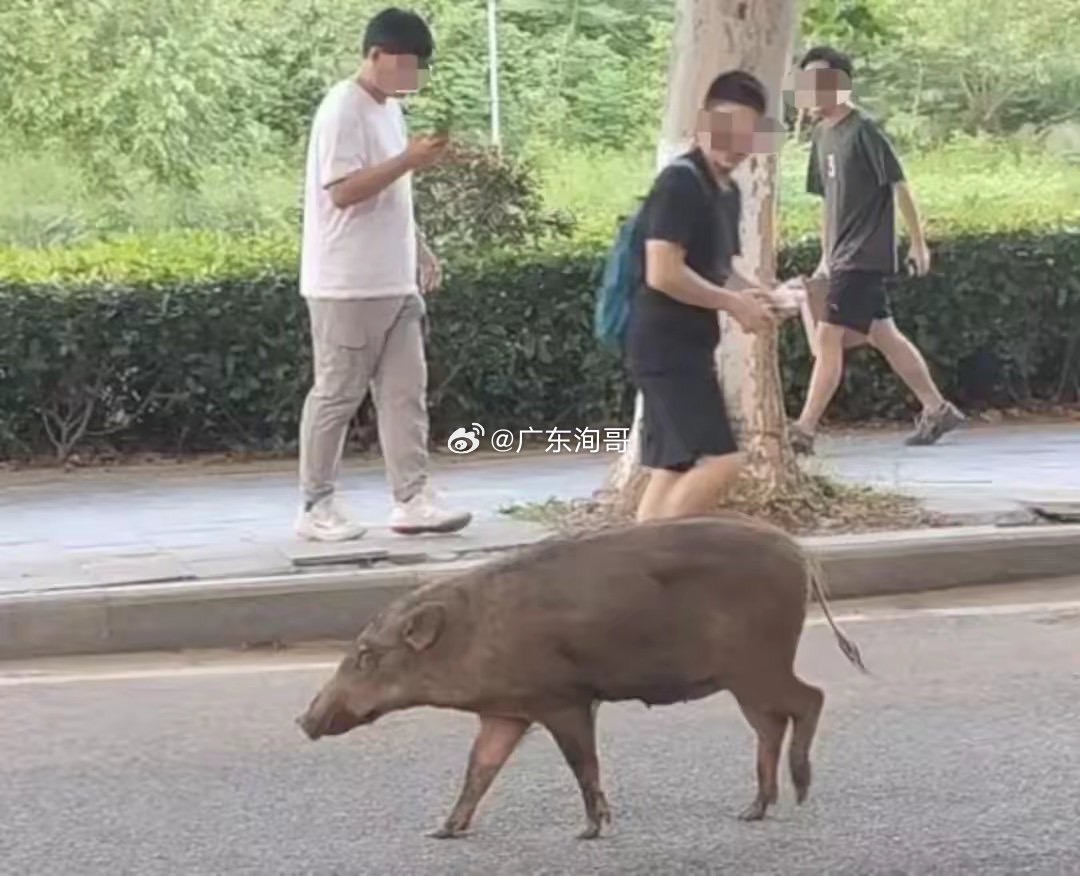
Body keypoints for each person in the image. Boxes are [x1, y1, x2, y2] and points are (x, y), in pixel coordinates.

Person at [296, 7, 471, 542]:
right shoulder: (342, 109)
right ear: (375, 55)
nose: (412, 78)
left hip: (396, 283)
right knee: (337, 393)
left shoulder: (390, 111)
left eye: (418, 67)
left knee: (405, 393)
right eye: (406, 64)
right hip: (347, 284)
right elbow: (343, 191)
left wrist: (419, 250)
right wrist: (409, 161)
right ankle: (315, 504)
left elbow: (393, 194)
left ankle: (412, 497)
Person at [789, 46, 964, 454]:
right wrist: (823, 256)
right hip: (841, 256)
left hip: (862, 256)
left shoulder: (863, 129)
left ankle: (804, 430)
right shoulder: (821, 135)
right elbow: (827, 203)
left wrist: (918, 242)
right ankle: (937, 408)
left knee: (828, 338)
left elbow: (899, 185)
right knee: (885, 335)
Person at [625, 70, 780, 523]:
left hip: (690, 345)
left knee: (672, 467)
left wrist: (763, 296)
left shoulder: (726, 192)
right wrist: (734, 304)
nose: (735, 142)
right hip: (663, 345)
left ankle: (635, 572)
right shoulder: (680, 182)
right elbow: (663, 271)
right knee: (721, 461)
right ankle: (654, 566)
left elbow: (720, 269)